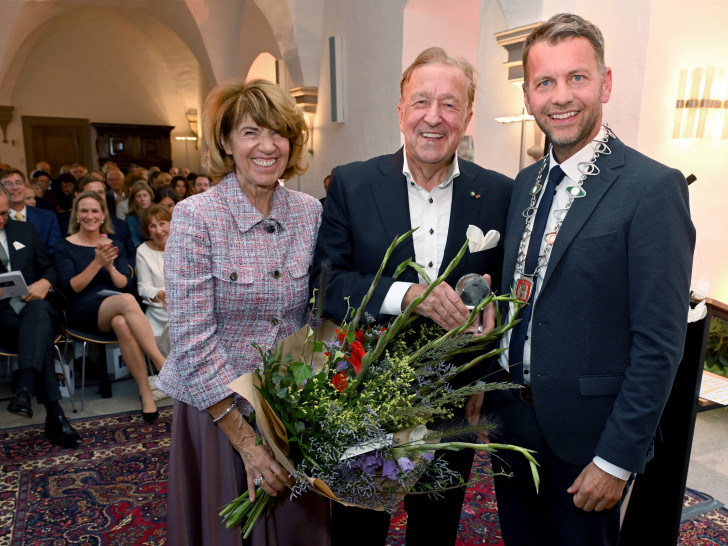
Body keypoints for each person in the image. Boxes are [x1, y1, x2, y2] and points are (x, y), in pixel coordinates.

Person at [481, 14, 695, 545]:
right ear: (528, 95)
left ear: (605, 82)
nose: (561, 97)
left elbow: (660, 342)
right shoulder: (527, 180)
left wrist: (617, 459)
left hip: (588, 441)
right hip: (512, 424)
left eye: (577, 77)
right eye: (544, 82)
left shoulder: (652, 189)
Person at [311, 47, 512, 546]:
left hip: (453, 400)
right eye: (421, 101)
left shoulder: (501, 193)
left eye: (450, 104)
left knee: (437, 529)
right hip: (362, 391)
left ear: (467, 117)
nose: (434, 117)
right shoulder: (353, 184)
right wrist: (407, 296)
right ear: (401, 111)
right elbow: (327, 287)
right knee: (357, 528)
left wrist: (484, 374)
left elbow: (505, 296)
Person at [157, 78, 330, 546]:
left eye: (279, 132)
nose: (267, 145)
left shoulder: (310, 212)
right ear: (227, 142)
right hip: (218, 412)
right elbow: (191, 340)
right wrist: (248, 441)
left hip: (292, 409)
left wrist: (316, 400)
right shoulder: (197, 216)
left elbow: (318, 317)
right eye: (251, 132)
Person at [54, 191, 166, 423]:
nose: (89, 215)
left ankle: (146, 395)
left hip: (114, 307)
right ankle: (163, 365)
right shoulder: (64, 246)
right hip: (82, 310)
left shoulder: (113, 244)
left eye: (95, 211)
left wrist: (110, 266)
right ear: (76, 214)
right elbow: (70, 288)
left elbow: (124, 283)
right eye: (84, 210)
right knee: (127, 302)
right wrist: (96, 263)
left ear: (103, 215)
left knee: (122, 322)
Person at [0, 185, 83, 448]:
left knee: (37, 314)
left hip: (36, 306)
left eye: (4, 213)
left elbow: (48, 267)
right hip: (4, 318)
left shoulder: (24, 230)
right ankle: (54, 415)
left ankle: (25, 386)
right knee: (41, 337)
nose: (1, 219)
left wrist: (45, 282)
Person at [136, 205, 171, 358]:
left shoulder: (183, 245)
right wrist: (160, 293)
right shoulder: (143, 251)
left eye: (162, 223)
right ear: (147, 230)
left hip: (185, 309)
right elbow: (143, 287)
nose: (158, 230)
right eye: (152, 226)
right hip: (158, 315)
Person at [1, 169, 62, 255]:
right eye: (8, 184)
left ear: (26, 187)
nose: (14, 187)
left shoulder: (47, 217)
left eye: (19, 183)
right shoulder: (1, 219)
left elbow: (54, 249)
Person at [125, 180, 154, 246]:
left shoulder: (158, 214)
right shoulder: (130, 219)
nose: (142, 199)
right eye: (138, 196)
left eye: (145, 195)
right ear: (134, 199)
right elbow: (134, 241)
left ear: (150, 196)